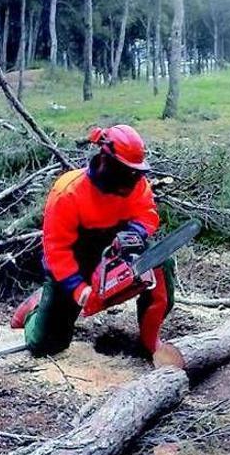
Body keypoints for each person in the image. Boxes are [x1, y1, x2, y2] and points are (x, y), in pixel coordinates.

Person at [10, 124, 173, 356]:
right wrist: (78, 289)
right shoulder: (68, 193)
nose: (132, 178)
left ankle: (150, 340)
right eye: (125, 171)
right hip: (75, 263)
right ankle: (36, 307)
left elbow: (147, 214)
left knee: (159, 267)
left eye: (135, 172)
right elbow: (56, 251)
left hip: (116, 251)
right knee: (45, 345)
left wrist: (133, 234)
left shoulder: (136, 183)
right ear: (106, 160)